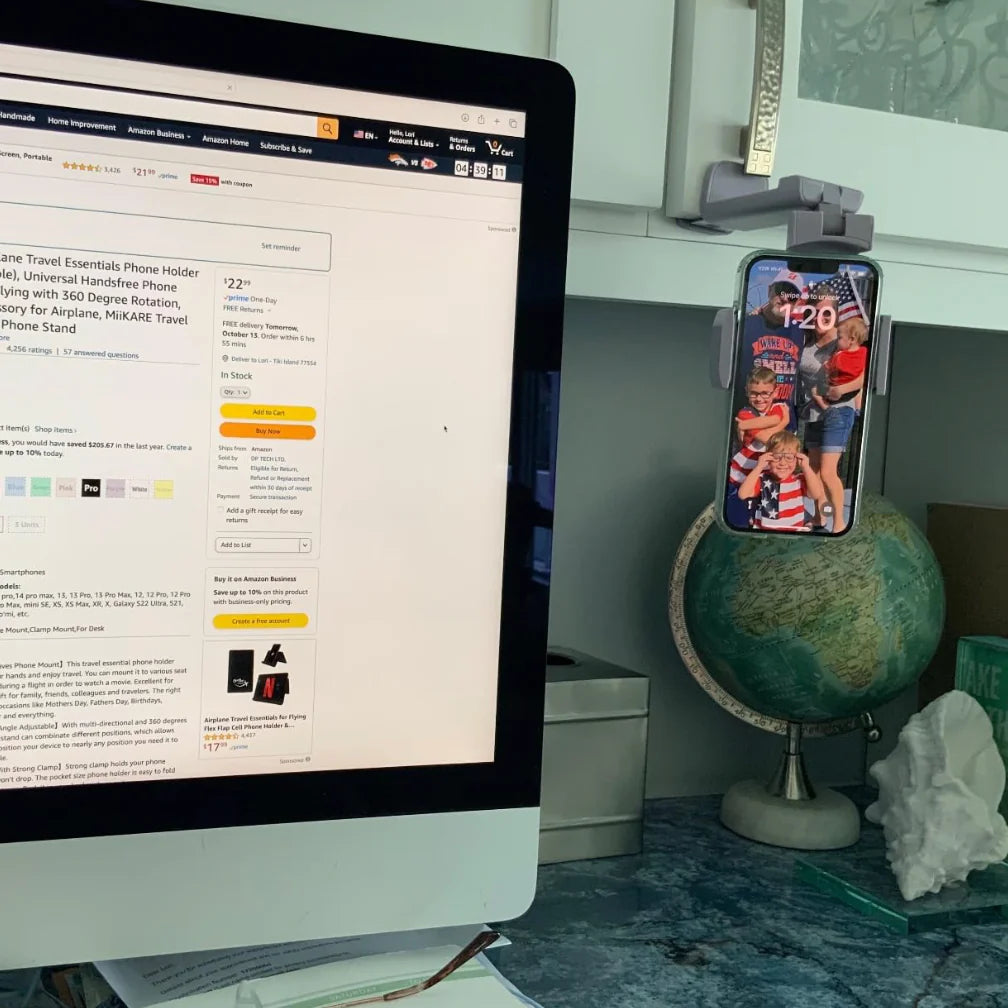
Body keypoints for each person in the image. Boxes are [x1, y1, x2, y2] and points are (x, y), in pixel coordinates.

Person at [810, 315, 869, 535]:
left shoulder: (853, 356)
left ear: (852, 339)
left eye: (841, 337)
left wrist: (835, 388)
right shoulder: (842, 354)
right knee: (815, 469)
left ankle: (839, 522)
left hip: (839, 410)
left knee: (827, 471)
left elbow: (861, 378)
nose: (837, 340)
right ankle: (821, 515)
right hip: (821, 410)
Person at [739, 268, 805, 428]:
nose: (785, 298)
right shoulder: (745, 325)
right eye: (781, 290)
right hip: (749, 421)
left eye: (792, 296)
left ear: (797, 302)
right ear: (770, 290)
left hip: (786, 426)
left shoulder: (801, 331)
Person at [737, 430, 825, 533]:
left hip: (793, 533)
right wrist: (758, 467)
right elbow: (743, 494)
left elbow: (816, 494)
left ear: (797, 458)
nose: (782, 463)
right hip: (765, 534)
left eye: (789, 457)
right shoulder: (762, 479)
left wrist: (806, 468)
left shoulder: (799, 480)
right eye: (777, 457)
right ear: (768, 458)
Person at [729, 366, 791, 486]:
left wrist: (745, 425)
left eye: (765, 393)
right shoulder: (745, 413)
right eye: (753, 393)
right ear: (747, 391)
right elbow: (766, 438)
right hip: (741, 475)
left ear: (775, 392)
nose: (759, 399)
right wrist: (783, 423)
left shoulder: (778, 408)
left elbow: (775, 419)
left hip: (766, 476)